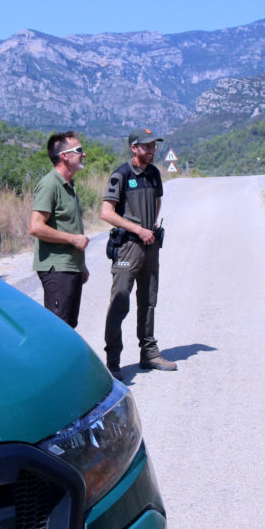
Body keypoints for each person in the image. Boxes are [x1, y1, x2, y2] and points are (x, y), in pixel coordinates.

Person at [101, 128, 176, 378]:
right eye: (147, 147)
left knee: (149, 300)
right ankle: (113, 360)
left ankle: (149, 352)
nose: (152, 150)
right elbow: (107, 213)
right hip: (128, 246)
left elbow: (157, 200)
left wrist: (151, 227)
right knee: (120, 300)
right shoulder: (121, 175)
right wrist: (137, 229)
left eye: (154, 146)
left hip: (150, 245)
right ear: (134, 148)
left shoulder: (154, 173)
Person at [29, 131, 90, 327]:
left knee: (69, 326)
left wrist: (81, 266)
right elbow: (36, 227)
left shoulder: (69, 184)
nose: (84, 154)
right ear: (64, 155)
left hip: (71, 267)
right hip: (57, 268)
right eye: (79, 150)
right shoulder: (49, 184)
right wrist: (73, 239)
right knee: (58, 328)